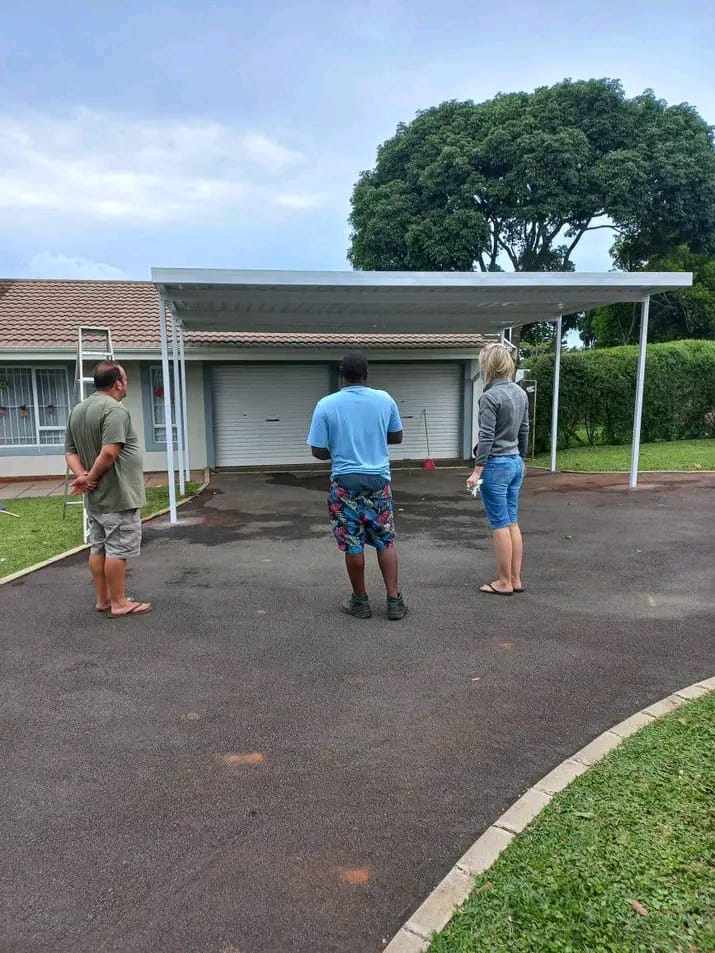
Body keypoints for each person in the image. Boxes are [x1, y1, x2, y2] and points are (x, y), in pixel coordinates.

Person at [307, 351, 407, 620]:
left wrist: (340, 450)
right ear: (366, 374)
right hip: (379, 484)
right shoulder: (384, 399)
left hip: (345, 485)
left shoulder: (326, 405)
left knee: (353, 543)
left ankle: (360, 602)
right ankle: (394, 602)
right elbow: (397, 436)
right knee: (385, 541)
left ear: (341, 375)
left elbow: (317, 450)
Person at [64, 361, 151, 618]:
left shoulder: (78, 410)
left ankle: (104, 600)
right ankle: (120, 603)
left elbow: (70, 452)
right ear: (117, 384)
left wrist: (82, 476)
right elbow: (110, 452)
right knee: (117, 549)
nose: (126, 384)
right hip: (118, 495)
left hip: (96, 498)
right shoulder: (114, 410)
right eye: (125, 380)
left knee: (99, 547)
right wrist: (89, 477)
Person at [467, 342, 529, 596]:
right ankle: (515, 578)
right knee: (512, 521)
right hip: (514, 462)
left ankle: (503, 582)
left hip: (496, 466)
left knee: (500, 524)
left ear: (487, 366)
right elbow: (524, 429)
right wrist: (521, 458)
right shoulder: (520, 393)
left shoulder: (489, 397)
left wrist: (477, 471)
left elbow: (486, 436)